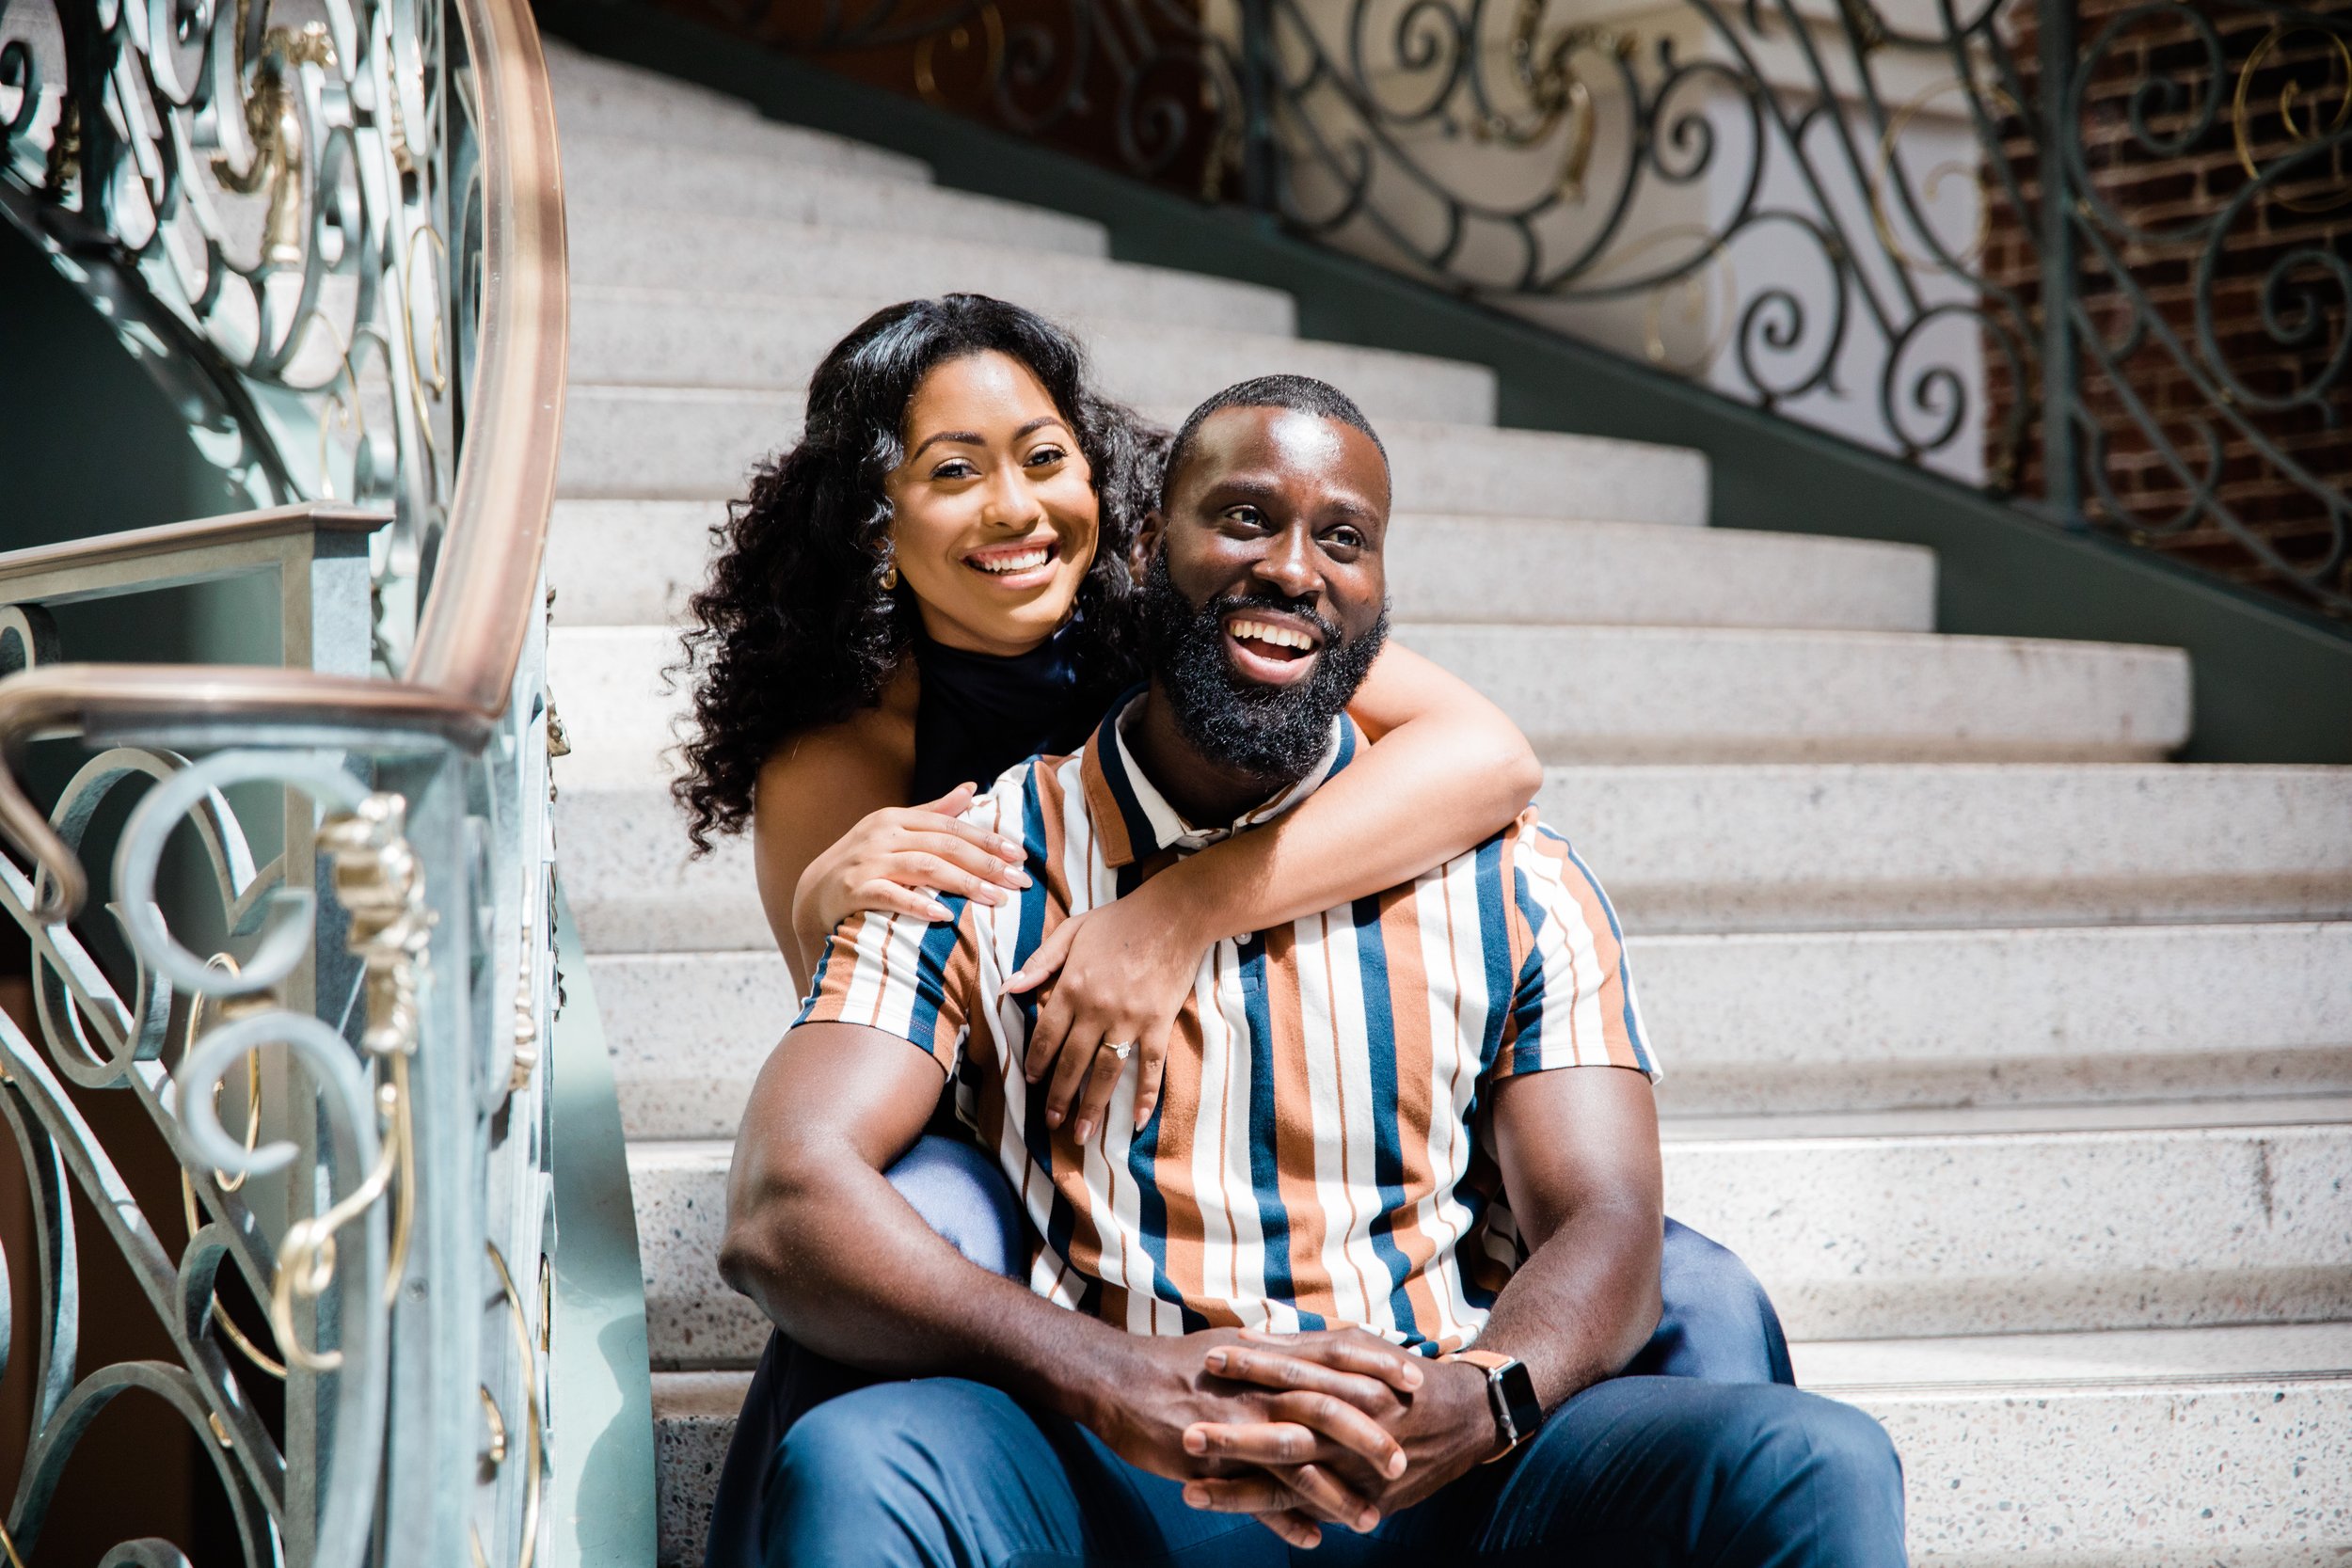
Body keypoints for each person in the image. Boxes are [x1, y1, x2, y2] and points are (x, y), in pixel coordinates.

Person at [713, 375, 1906, 1566]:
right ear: (1142, 548)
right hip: (1112, 1465)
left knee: (1814, 1459)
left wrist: (1482, 1394)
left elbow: (1604, 1213)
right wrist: (1115, 1375)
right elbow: (785, 1195)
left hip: (1438, 1462)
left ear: (1380, 590)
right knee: (862, 1458)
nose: (1292, 567)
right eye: (1241, 518)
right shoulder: (976, 856)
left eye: (1342, 538)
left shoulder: (1512, 879)